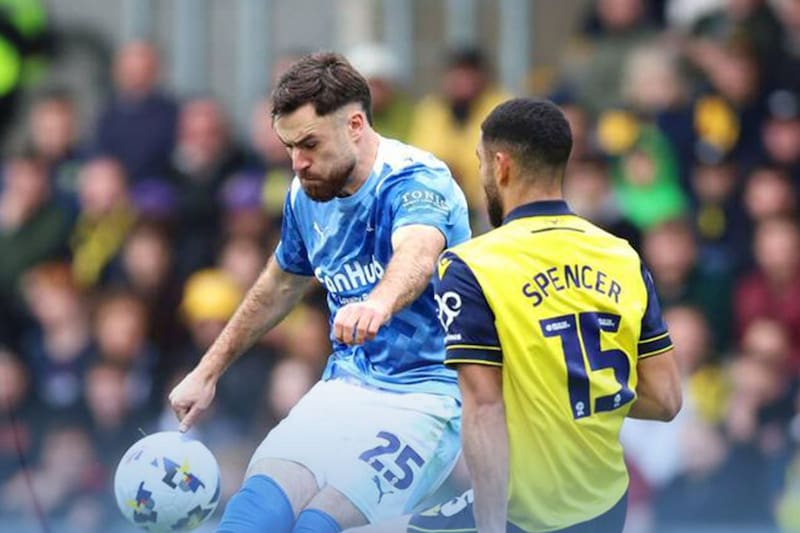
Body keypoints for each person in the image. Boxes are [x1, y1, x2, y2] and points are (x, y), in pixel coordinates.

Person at [167, 52, 471, 532]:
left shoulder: (416, 180)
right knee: (249, 519)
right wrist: (208, 371)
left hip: (424, 398)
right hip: (344, 386)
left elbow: (418, 252)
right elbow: (281, 283)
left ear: (354, 124)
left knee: (316, 526)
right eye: (288, 147)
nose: (297, 162)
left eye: (308, 143)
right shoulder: (305, 192)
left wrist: (378, 303)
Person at [350, 99, 682, 533]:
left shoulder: (472, 265)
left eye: (480, 163)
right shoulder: (621, 255)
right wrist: (568, 391)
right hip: (604, 508)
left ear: (500, 165)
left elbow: (484, 409)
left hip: (522, 516)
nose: (482, 175)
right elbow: (666, 398)